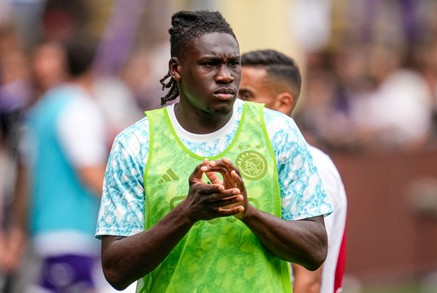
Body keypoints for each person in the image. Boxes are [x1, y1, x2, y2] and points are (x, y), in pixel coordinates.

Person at [95, 10, 332, 293]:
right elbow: (115, 271)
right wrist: (186, 214)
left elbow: (315, 250)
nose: (225, 76)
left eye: (233, 64)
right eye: (210, 64)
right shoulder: (135, 143)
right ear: (176, 68)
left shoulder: (277, 131)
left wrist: (247, 212)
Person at [239, 49, 347, 293]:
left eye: (246, 95)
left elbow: (309, 280)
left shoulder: (313, 165)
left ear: (283, 103)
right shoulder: (255, 160)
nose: (236, 105)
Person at [16, 36, 110, 292]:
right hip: (73, 232)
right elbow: (89, 172)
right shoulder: (78, 108)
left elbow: (25, 177)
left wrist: (19, 231)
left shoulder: (43, 108)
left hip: (45, 231)